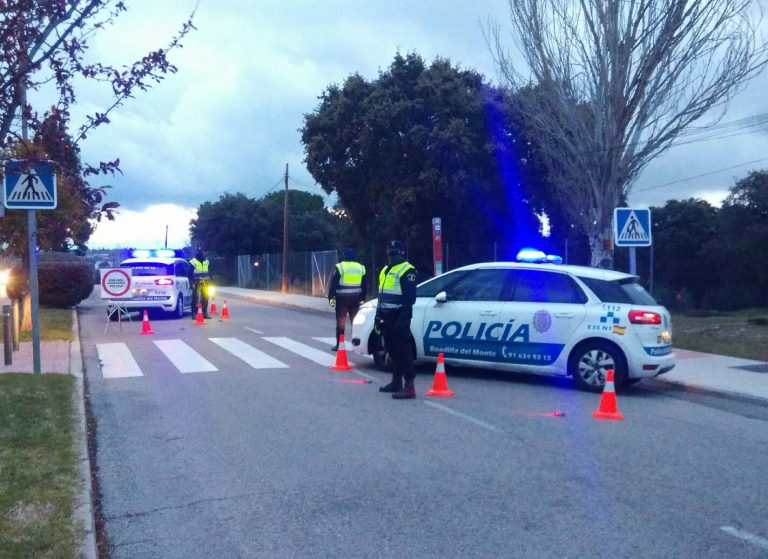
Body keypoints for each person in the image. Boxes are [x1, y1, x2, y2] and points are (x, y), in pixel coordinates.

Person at [375, 240, 418, 400]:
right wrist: (377, 317)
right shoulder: (385, 270)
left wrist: (403, 320)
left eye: (394, 254)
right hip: (386, 317)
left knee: (404, 352)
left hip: (399, 317)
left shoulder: (408, 270)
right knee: (392, 351)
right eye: (390, 254)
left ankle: (410, 387)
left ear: (402, 254)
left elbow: (409, 299)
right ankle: (396, 382)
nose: (391, 257)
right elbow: (381, 295)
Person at [328, 249, 367, 351]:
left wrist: (331, 297)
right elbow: (364, 285)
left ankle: (340, 345)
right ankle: (356, 345)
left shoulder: (340, 266)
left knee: (341, 323)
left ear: (345, 256)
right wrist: (363, 299)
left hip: (342, 299)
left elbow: (334, 283)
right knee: (355, 323)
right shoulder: (360, 267)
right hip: (356, 298)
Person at [189, 249, 211, 319]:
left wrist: (211, 280)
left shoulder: (206, 261)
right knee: (195, 298)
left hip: (205, 282)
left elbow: (209, 271)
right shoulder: (193, 262)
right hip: (196, 282)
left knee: (206, 297)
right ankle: (194, 314)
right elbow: (190, 273)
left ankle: (204, 313)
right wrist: (191, 283)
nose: (204, 253)